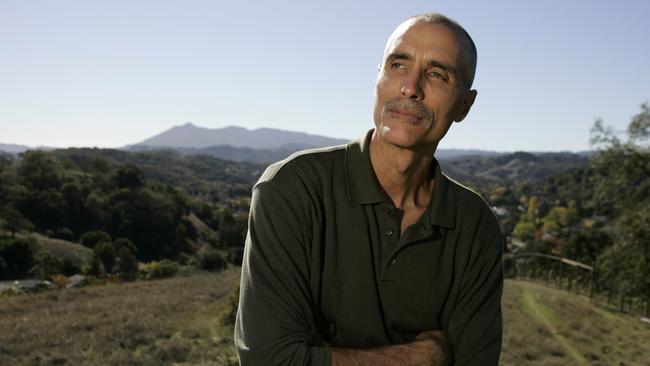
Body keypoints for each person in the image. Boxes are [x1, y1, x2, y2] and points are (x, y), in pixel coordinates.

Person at [235, 12, 503, 366]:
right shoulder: (290, 189)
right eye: (397, 65)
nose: (410, 87)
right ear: (378, 78)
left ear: (464, 106)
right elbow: (269, 360)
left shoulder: (475, 224)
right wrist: (415, 359)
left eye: (437, 74)